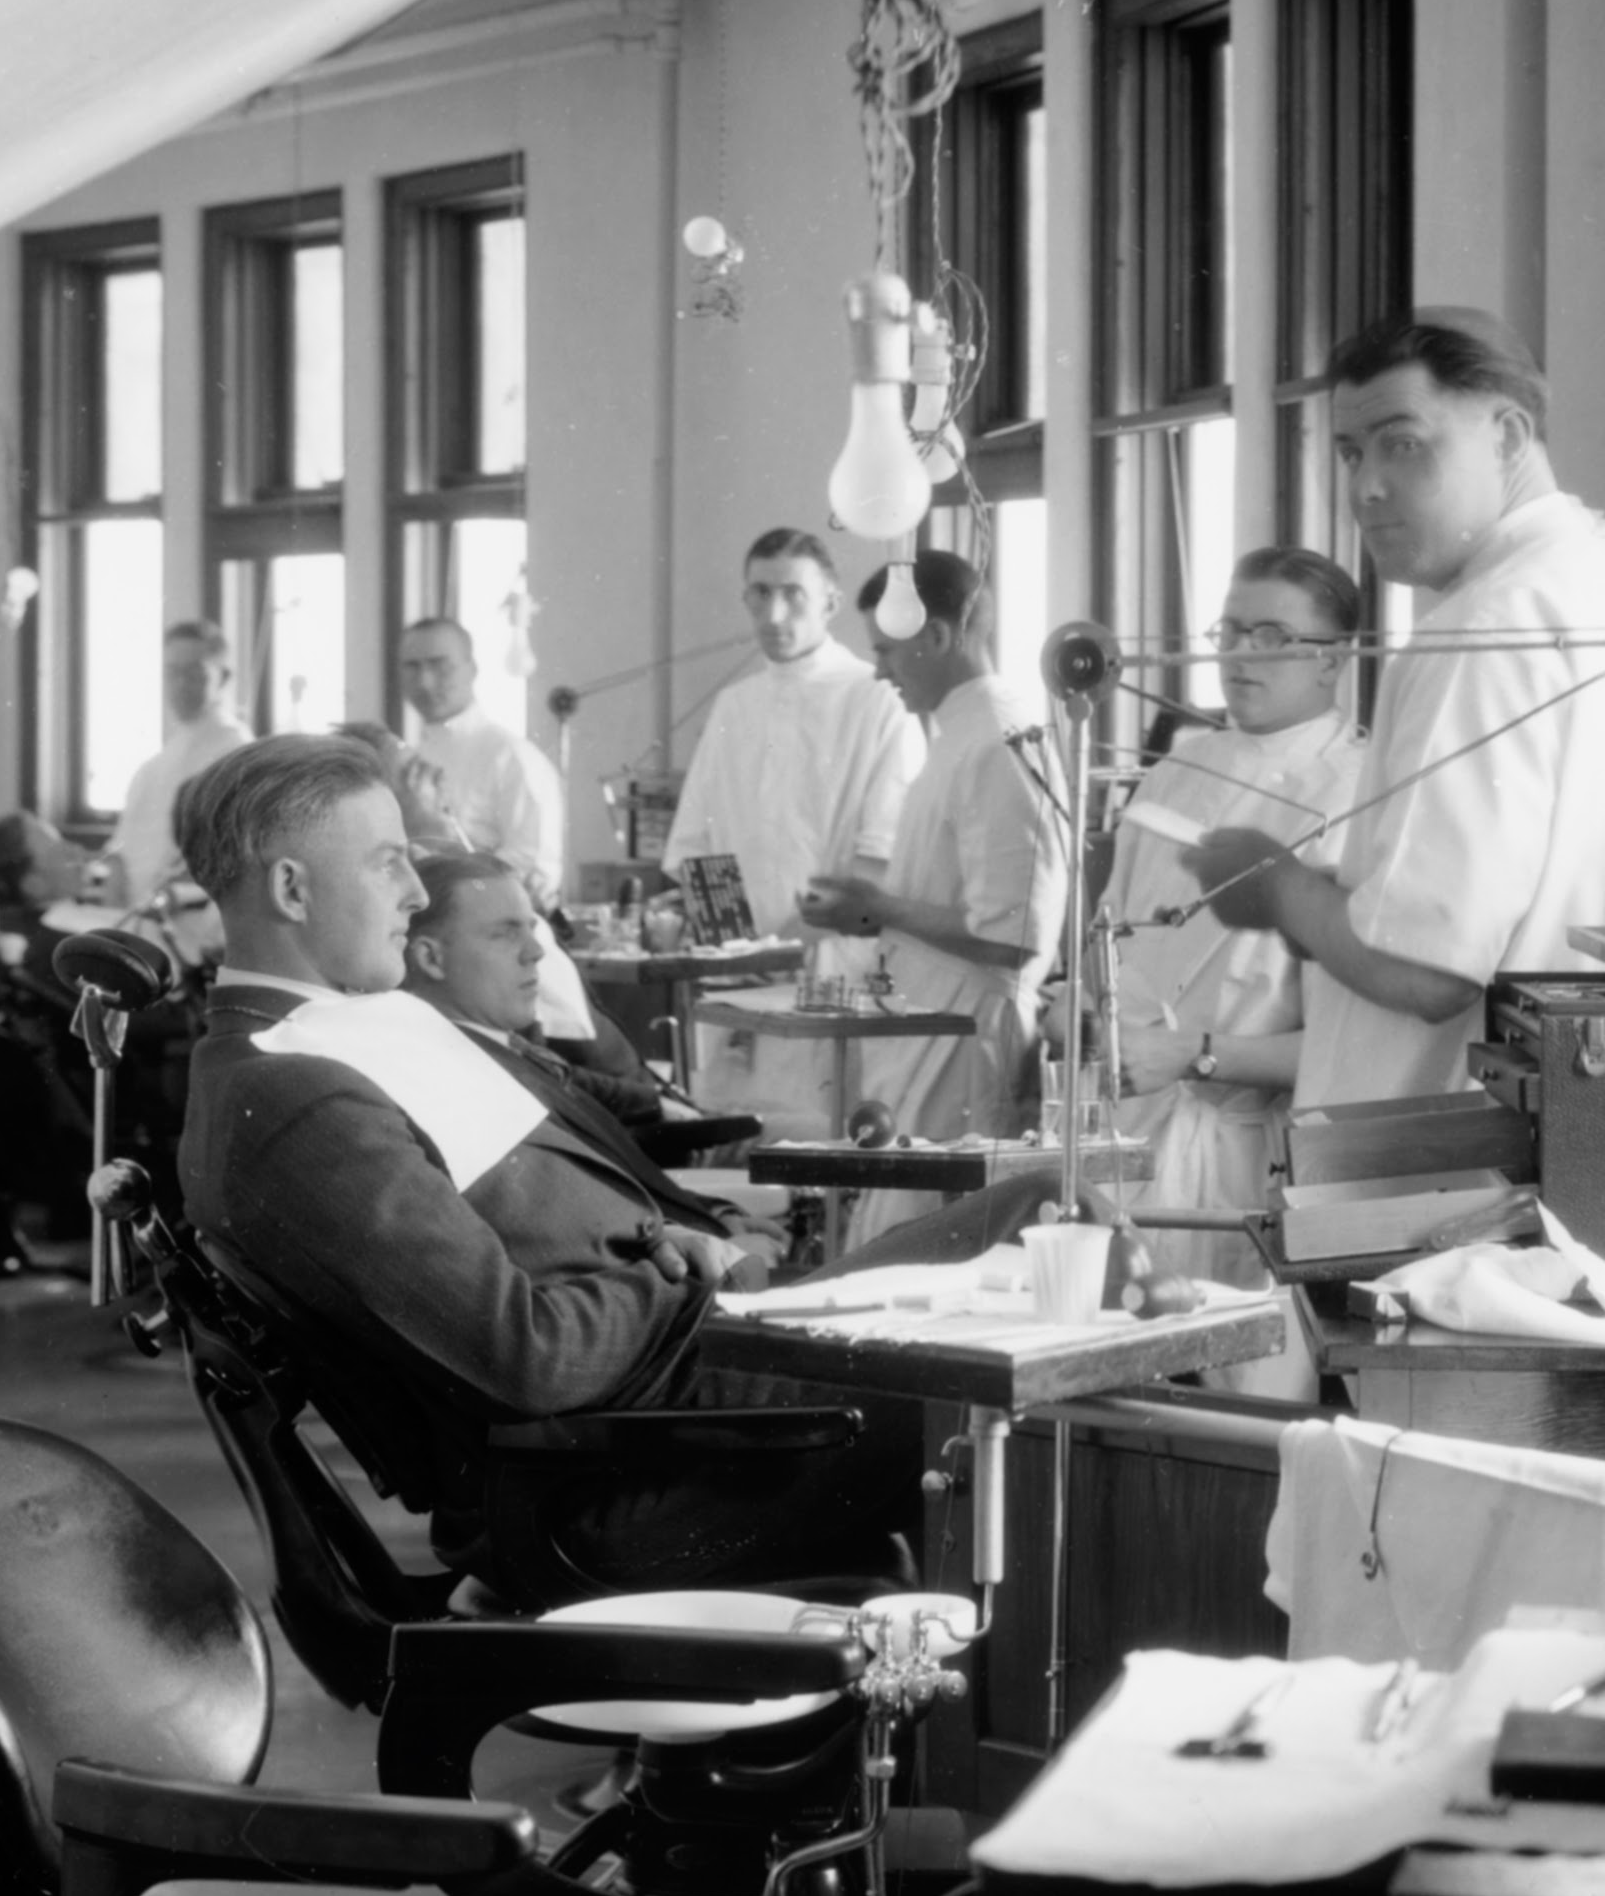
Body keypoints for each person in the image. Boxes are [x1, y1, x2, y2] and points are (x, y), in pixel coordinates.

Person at [175, 734, 1057, 1596]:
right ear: (291, 888)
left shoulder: (345, 1027)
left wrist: (670, 1236)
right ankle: (1034, 1721)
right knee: (1036, 1390)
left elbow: (540, 1210)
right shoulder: (292, 1092)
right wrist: (680, 1273)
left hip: (704, 1381)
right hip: (639, 1469)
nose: (414, 891)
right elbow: (524, 1354)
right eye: (387, 863)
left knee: (1041, 1209)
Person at [1186, 308, 1605, 1109]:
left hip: (1459, 1157)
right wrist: (1344, 896)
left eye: (1404, 443)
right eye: (1352, 452)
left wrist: (1276, 887)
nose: (1365, 487)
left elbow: (1426, 971)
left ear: (1507, 435)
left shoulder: (1482, 624)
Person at [1090, 549, 1367, 1398]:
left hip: (1253, 1158)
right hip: (1127, 1136)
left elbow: (1348, 1043)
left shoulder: (1364, 790)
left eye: (1272, 635)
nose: (1240, 653)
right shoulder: (1180, 765)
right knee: (1106, 1405)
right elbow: (1113, 947)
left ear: (1333, 655)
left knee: (1234, 1428)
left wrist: (1194, 1055)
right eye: (1231, 630)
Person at [802, 552, 1069, 1237]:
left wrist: (880, 907)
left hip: (968, 1033)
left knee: (925, 1244)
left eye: (889, 650)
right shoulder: (960, 736)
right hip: (933, 1024)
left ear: (942, 636)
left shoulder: (1001, 741)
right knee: (892, 1238)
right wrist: (872, 908)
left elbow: (1013, 936)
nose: (881, 669)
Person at [661, 528, 924, 1137]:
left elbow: (875, 862)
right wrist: (735, 950)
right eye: (759, 594)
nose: (773, 614)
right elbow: (699, 849)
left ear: (830, 602)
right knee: (735, 1144)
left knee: (824, 1143)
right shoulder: (735, 705)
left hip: (833, 970)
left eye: (793, 595)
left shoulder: (877, 700)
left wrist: (786, 947)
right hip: (739, 974)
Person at [400, 848, 768, 1255]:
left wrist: (714, 1215)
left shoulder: (505, 1047)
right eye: (504, 934)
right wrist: (713, 1242)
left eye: (531, 930)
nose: (536, 952)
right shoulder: (463, 1078)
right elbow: (568, 1222)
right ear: (431, 958)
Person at [396, 617, 564, 910]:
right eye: (412, 667)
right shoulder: (411, 756)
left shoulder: (511, 756)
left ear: (472, 669)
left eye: (439, 665)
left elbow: (535, 867)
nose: (424, 681)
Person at [108, 619, 251, 912]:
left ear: (222, 678)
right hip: (135, 919)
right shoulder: (152, 767)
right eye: (172, 673)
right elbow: (119, 851)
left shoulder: (238, 754)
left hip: (197, 923)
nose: (181, 684)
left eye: (194, 674)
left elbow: (234, 853)